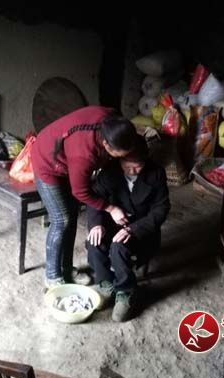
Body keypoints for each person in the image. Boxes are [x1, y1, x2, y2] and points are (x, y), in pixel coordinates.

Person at [31, 106, 137, 288]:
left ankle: (66, 269)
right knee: (61, 219)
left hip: (67, 157)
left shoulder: (113, 121)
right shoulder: (84, 154)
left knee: (72, 215)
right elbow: (80, 191)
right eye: (119, 156)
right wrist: (111, 208)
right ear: (106, 145)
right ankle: (52, 276)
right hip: (47, 161)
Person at [86, 136, 170, 322]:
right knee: (94, 241)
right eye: (127, 165)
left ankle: (126, 291)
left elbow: (161, 209)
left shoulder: (156, 173)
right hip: (113, 223)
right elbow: (95, 200)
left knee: (119, 246)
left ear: (145, 160)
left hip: (142, 229)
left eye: (137, 166)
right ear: (119, 159)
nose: (132, 170)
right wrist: (97, 224)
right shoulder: (109, 171)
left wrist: (133, 229)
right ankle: (106, 283)